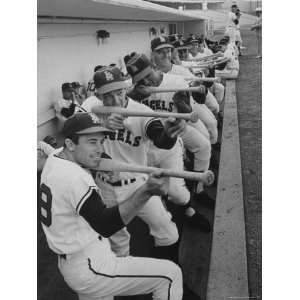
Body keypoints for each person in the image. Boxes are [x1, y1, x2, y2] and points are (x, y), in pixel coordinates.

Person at [39, 112, 183, 300]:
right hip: (91, 266)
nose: (99, 149)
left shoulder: (55, 158)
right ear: (70, 144)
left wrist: (103, 162)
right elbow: (105, 225)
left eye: (101, 142)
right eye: (92, 142)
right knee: (170, 275)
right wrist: (146, 190)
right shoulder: (74, 178)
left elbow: (56, 151)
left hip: (72, 259)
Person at [92, 66, 189, 261]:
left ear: (125, 89)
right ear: (99, 96)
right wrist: (100, 128)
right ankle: (127, 281)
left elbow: (159, 138)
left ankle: (168, 276)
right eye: (108, 96)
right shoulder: (92, 110)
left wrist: (169, 133)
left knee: (168, 232)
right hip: (104, 188)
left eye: (119, 92)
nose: (116, 100)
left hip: (137, 184)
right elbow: (74, 138)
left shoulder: (140, 111)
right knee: (118, 244)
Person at [126, 53, 215, 210]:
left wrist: (182, 105)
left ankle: (198, 189)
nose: (145, 82)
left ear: (154, 66)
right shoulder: (134, 90)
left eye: (147, 75)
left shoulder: (175, 81)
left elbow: (187, 115)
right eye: (139, 80)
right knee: (164, 186)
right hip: (149, 138)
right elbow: (121, 102)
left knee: (204, 146)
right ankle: (173, 200)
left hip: (175, 129)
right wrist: (134, 95)